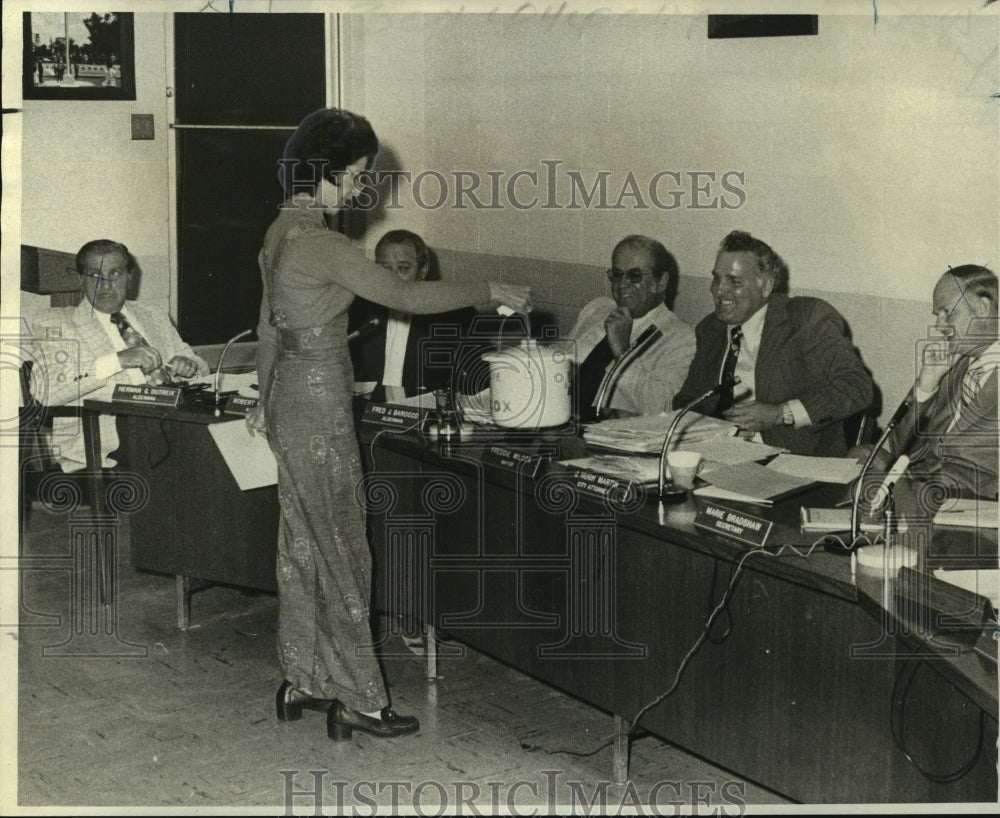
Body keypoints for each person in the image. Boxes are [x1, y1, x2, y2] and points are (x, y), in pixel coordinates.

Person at [248, 107, 530, 741]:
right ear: (325, 170)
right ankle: (360, 699)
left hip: (291, 398)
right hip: (319, 403)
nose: (363, 186)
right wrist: (485, 288)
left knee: (303, 543)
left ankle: (306, 680)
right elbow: (404, 295)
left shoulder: (279, 232)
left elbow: (268, 328)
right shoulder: (321, 243)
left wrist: (264, 402)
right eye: (357, 173)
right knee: (344, 544)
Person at [674, 230, 873, 456]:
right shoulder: (710, 329)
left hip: (796, 462)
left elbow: (857, 387)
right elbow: (689, 401)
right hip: (720, 456)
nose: (719, 290)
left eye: (734, 281)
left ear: (766, 286)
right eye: (717, 278)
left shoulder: (806, 319)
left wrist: (781, 414)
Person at [25, 239, 208, 473]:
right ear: (80, 279)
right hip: (107, 437)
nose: (106, 286)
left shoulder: (153, 315)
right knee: (197, 456)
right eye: (94, 275)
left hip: (173, 421)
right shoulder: (56, 323)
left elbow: (200, 365)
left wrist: (190, 365)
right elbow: (46, 392)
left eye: (115, 273)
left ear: (130, 276)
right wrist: (117, 361)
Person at [850, 265, 998, 508]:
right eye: (937, 315)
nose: (940, 326)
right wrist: (927, 384)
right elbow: (904, 449)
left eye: (948, 313)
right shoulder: (955, 366)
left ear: (982, 308)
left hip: (973, 501)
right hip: (927, 487)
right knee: (860, 457)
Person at [566, 235, 696, 420]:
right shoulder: (597, 313)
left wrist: (622, 352)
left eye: (635, 276)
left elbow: (664, 407)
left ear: (660, 282)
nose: (622, 284)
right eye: (617, 275)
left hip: (606, 439)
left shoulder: (682, 338)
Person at [348, 229, 477, 402]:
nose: (392, 279)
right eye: (385, 268)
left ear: (423, 271)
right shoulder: (356, 311)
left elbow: (472, 380)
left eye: (403, 268)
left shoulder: (453, 315)